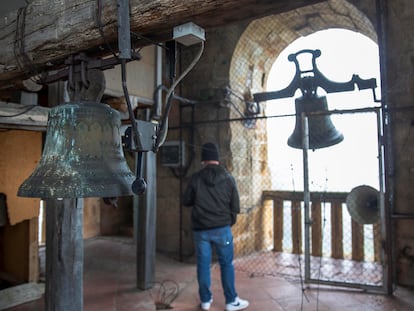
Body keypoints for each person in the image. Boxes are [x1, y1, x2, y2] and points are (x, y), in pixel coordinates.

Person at [183, 142, 249, 311]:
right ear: (217, 158)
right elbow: (235, 206)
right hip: (222, 228)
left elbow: (186, 201)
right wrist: (228, 222)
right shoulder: (228, 178)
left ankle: (205, 301)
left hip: (201, 230)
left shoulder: (196, 178)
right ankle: (231, 301)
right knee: (226, 264)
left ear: (203, 159)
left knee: (203, 265)